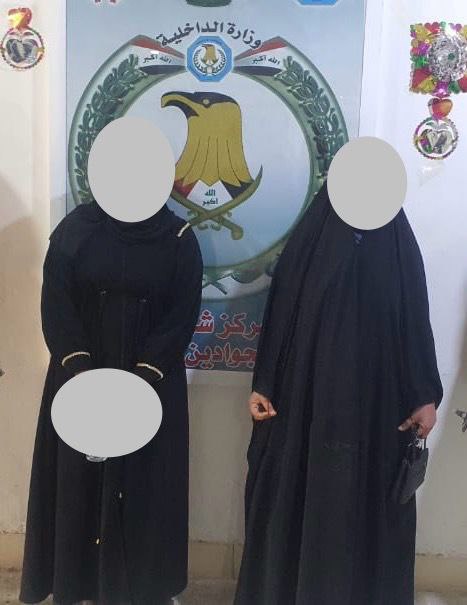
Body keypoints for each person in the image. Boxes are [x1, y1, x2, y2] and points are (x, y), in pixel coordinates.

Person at [234, 182, 443, 605]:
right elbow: (281, 314)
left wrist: (425, 395)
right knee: (298, 499)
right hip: (305, 402)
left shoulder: (397, 247)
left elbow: (415, 321)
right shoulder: (312, 242)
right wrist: (264, 383)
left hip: (379, 407)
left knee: (369, 508)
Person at [19, 201, 203, 605]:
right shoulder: (74, 231)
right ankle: (78, 584)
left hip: (151, 381)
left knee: (146, 483)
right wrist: (81, 371)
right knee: (80, 482)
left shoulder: (178, 238)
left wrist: (142, 378)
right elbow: (56, 303)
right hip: (82, 379)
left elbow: (182, 313)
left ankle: (147, 588)